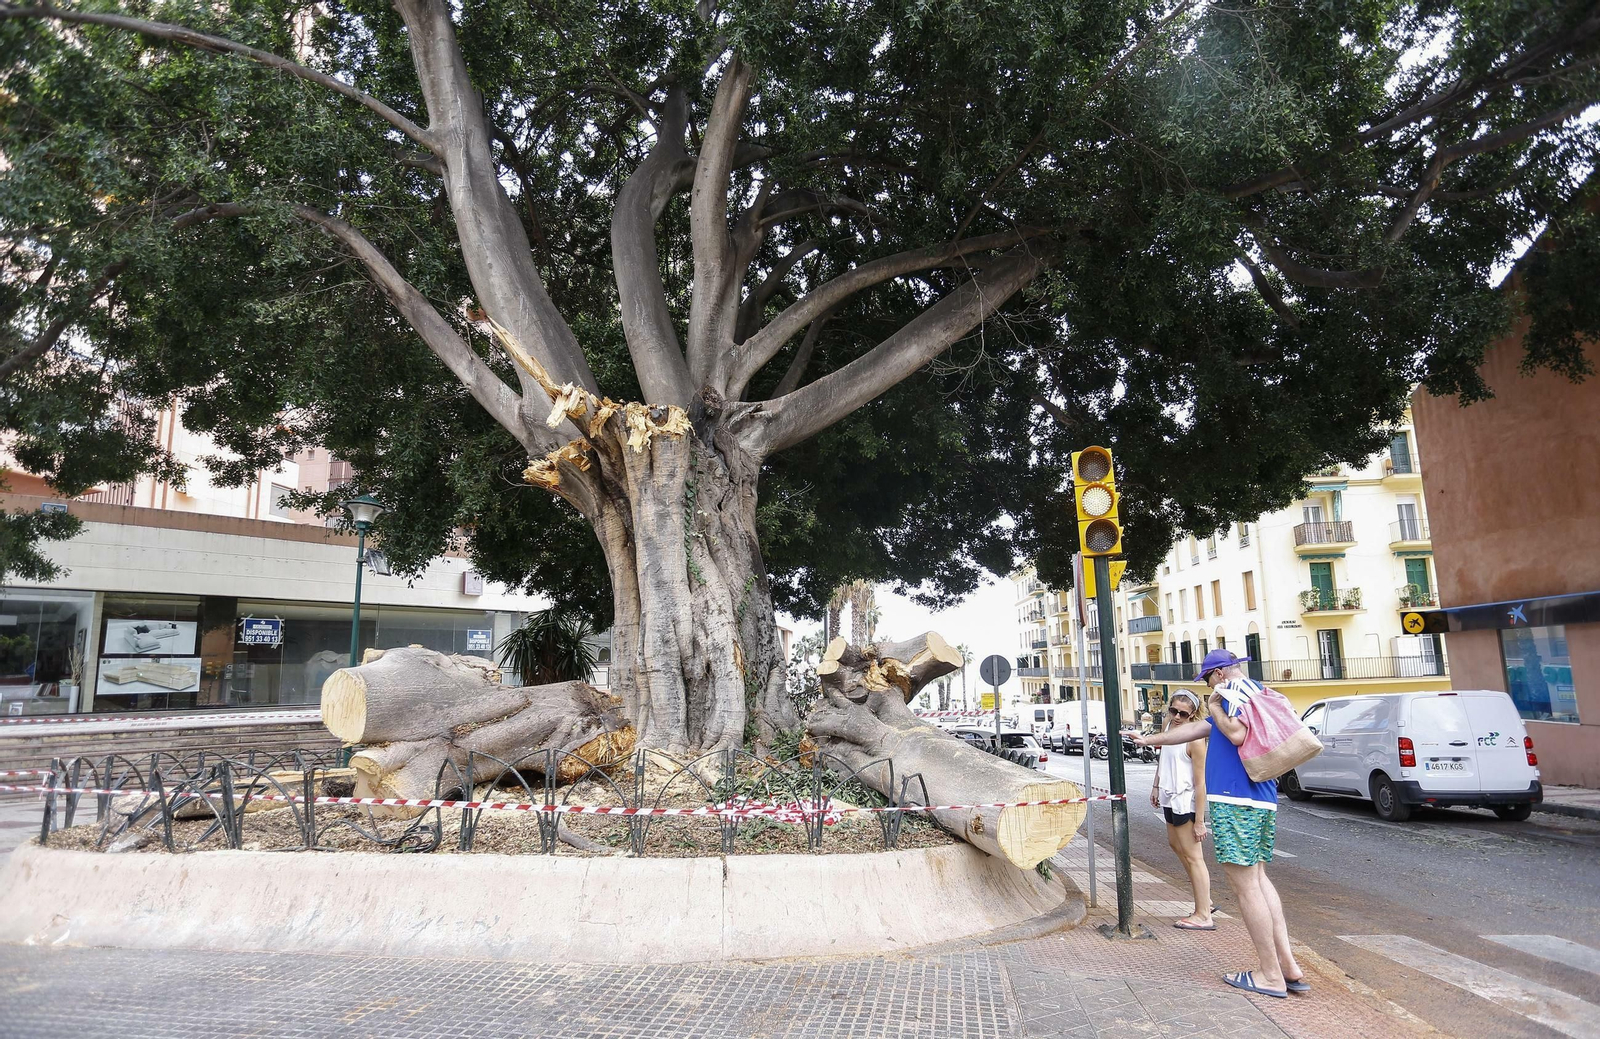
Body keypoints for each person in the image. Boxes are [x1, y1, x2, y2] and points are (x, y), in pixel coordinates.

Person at [1135, 649, 1307, 998]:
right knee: (1258, 878)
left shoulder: (1230, 693)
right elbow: (1196, 731)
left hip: (1235, 800)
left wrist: (1214, 703)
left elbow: (1237, 735)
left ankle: (1270, 975)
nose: (1207, 687)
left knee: (1245, 888)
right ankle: (1288, 966)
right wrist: (1150, 739)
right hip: (1261, 799)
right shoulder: (1257, 691)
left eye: (1208, 679)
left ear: (1217, 674)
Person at [1149, 691, 1212, 931]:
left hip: (1185, 801)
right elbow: (1162, 759)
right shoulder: (1168, 727)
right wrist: (1156, 786)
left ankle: (1204, 913)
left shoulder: (1195, 739)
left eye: (1182, 714)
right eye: (1173, 711)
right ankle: (1204, 898)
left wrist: (1199, 820)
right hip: (1168, 795)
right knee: (1176, 846)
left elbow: (1200, 782)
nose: (1176, 717)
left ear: (1193, 714)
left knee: (1194, 856)